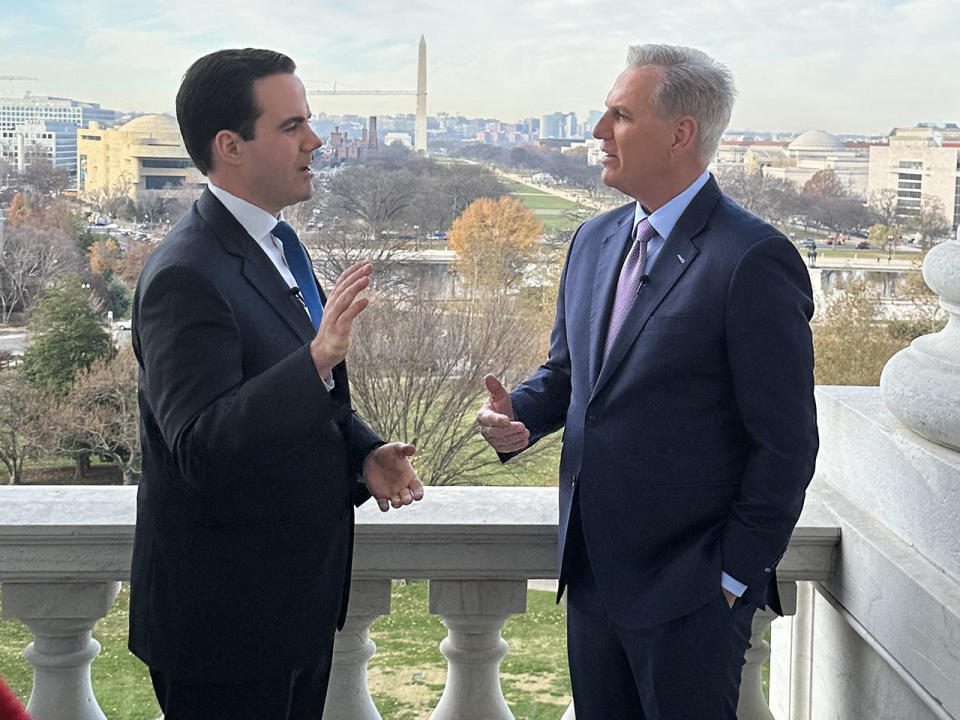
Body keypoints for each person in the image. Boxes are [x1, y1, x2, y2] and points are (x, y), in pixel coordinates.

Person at [478, 44, 818, 719]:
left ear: (681, 133)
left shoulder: (753, 259)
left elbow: (785, 447)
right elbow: (572, 375)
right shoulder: (593, 240)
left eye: (619, 116)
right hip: (593, 580)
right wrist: (517, 414)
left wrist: (726, 578)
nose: (598, 132)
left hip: (690, 594)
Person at [129, 48, 424, 720]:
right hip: (224, 633)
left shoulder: (278, 246)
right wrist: (317, 358)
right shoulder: (187, 273)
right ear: (229, 146)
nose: (315, 142)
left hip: (291, 613)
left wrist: (364, 452)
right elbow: (200, 445)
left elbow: (291, 396)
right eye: (292, 126)